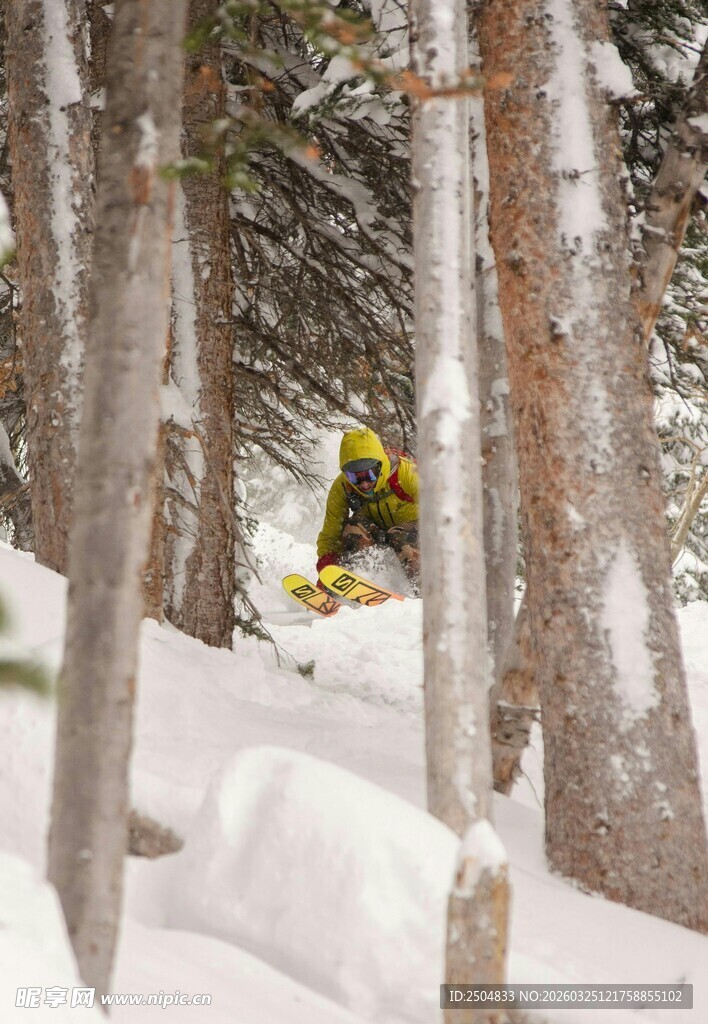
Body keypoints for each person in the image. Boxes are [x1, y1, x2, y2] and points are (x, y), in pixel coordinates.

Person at [316, 426, 420, 591]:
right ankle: (363, 580)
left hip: (414, 531)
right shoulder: (343, 487)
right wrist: (327, 568)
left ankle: (425, 588)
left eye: (370, 475)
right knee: (353, 528)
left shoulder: (407, 474)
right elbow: (331, 534)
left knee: (400, 536)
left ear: (380, 465)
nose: (364, 484)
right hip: (377, 534)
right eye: (355, 477)